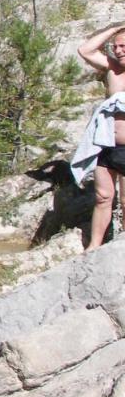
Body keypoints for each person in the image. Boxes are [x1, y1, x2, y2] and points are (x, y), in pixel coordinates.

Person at [74, 23, 125, 249]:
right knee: (103, 197)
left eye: (123, 46)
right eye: (116, 47)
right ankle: (94, 247)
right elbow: (85, 50)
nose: (118, 50)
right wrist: (116, 28)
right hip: (106, 145)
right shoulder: (113, 69)